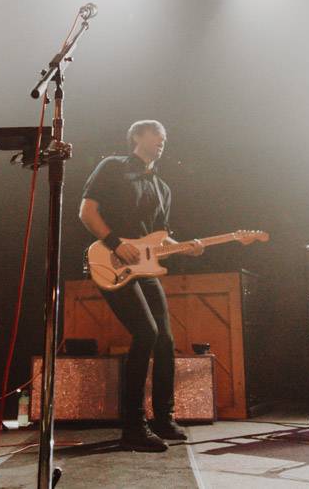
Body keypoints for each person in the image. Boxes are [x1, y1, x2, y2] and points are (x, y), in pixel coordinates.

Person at [79, 120, 203, 452]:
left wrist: (185, 246)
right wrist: (117, 244)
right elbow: (87, 213)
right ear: (136, 136)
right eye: (156, 133)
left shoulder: (163, 188)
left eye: (166, 135)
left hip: (144, 269)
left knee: (165, 340)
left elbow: (159, 237)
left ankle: (163, 418)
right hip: (110, 261)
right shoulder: (112, 167)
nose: (164, 138)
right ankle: (133, 428)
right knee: (146, 333)